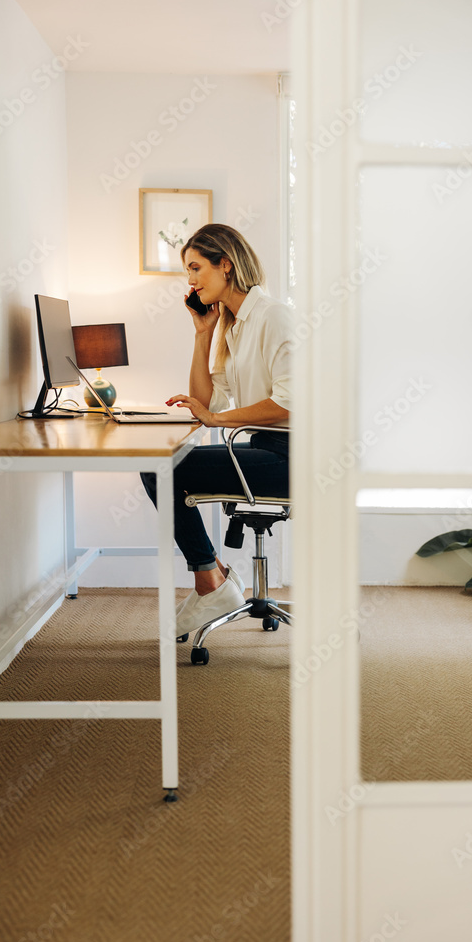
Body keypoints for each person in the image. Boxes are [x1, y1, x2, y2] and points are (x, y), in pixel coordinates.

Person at [140, 223, 292, 637]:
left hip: (292, 456)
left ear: (225, 265)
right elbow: (206, 404)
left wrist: (217, 420)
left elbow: (288, 403)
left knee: (162, 469)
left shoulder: (274, 316)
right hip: (265, 449)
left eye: (195, 268)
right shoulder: (234, 324)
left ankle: (211, 580)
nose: (189, 281)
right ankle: (213, 576)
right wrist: (203, 335)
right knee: (162, 465)